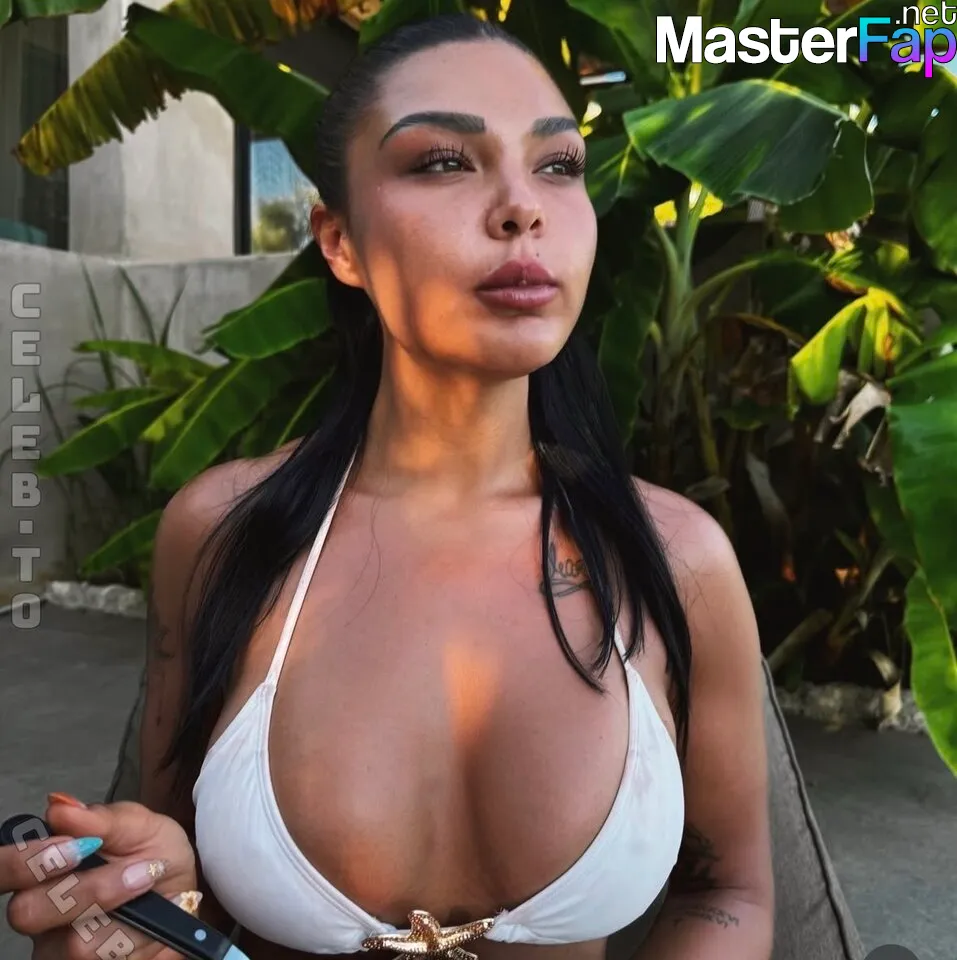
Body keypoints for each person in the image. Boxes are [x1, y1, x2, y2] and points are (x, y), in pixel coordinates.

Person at [1, 12, 774, 960]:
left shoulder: (675, 557)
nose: (521, 207)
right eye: (443, 162)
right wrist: (137, 904)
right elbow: (178, 875)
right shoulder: (223, 532)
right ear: (340, 244)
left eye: (558, 164)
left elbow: (727, 889)